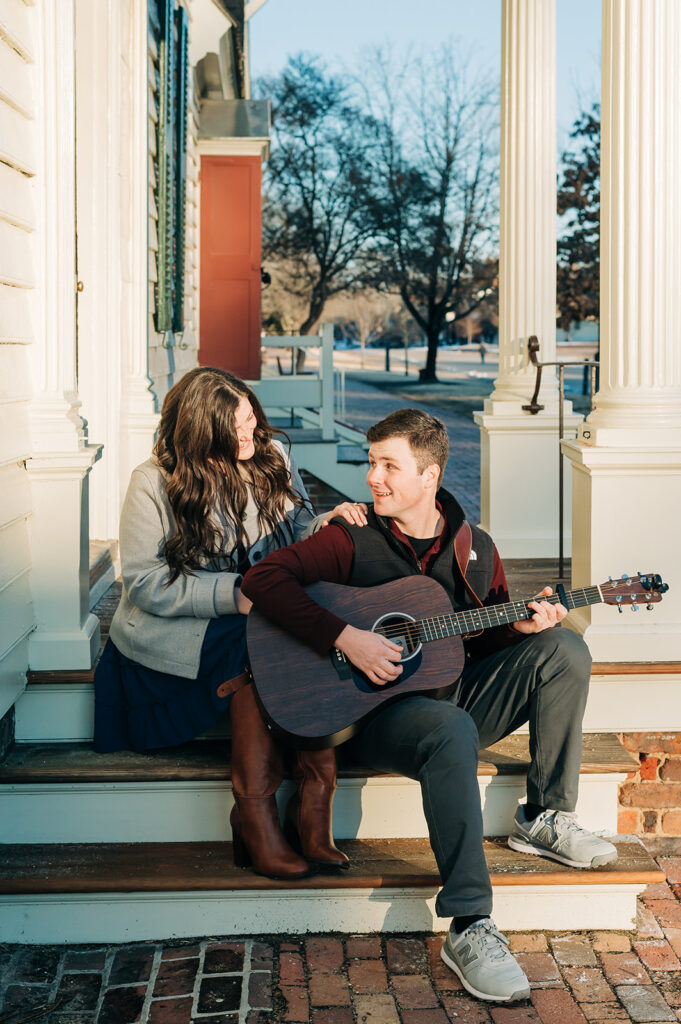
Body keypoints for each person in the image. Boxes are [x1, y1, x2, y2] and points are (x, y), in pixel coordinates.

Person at [240, 407, 617, 1003]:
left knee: (563, 648)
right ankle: (470, 923)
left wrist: (520, 629)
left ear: (430, 475)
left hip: (454, 692)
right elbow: (262, 581)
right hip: (374, 711)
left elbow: (477, 639)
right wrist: (347, 638)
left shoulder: (475, 547)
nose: (373, 478)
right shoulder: (351, 539)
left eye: (389, 465)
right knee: (448, 727)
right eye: (372, 463)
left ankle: (544, 816)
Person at [94, 367, 368, 880]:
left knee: (293, 630)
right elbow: (144, 583)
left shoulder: (270, 456)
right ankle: (254, 813)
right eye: (237, 428)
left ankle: (313, 803)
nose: (252, 435)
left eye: (252, 420)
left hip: (261, 610)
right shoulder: (152, 482)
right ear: (202, 433)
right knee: (259, 643)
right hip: (174, 633)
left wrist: (323, 525)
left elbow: (298, 524)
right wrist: (234, 594)